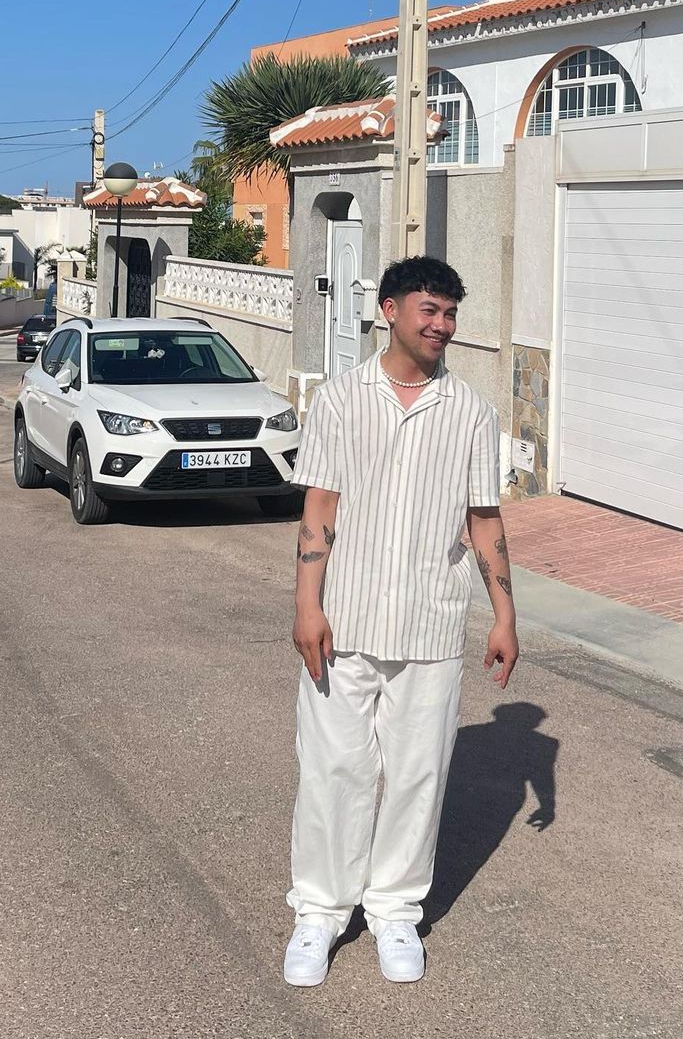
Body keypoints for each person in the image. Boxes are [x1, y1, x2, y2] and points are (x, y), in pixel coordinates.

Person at [282, 255, 519, 988]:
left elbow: (484, 518)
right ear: (389, 310)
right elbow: (319, 506)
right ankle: (320, 912)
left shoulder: (471, 413)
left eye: (450, 313)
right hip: (343, 621)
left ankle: (394, 911)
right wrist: (307, 605)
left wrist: (505, 616)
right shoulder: (338, 400)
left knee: (418, 774)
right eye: (429, 310)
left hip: (429, 624)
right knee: (333, 771)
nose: (441, 325)